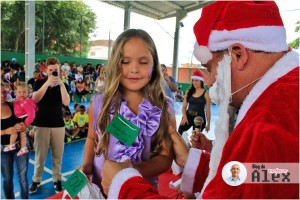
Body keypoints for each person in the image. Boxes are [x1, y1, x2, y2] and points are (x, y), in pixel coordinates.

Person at [100, 1, 299, 199]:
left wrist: (124, 185)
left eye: (210, 67)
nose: (210, 80)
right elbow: (272, 176)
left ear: (238, 54)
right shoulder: (284, 99)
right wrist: (195, 164)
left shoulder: (269, 125)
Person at [80, 29, 188, 195]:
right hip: (101, 191)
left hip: (141, 191)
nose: (134, 69)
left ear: (154, 64)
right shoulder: (100, 102)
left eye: (143, 62)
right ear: (116, 63)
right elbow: (91, 137)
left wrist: (129, 170)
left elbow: (165, 158)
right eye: (125, 61)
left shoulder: (164, 107)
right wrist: (86, 165)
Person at [30, 57, 70, 194]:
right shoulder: (39, 82)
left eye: (56, 70)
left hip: (58, 125)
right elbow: (35, 98)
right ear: (46, 70)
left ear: (60, 70)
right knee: (40, 156)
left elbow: (66, 102)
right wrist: (47, 84)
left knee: (57, 156)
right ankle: (36, 180)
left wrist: (62, 85)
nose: (53, 72)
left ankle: (57, 179)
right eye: (51, 70)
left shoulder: (63, 85)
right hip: (41, 125)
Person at [1, 83, 30, 199]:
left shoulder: (13, 105)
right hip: (3, 148)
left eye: (4, 92)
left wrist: (25, 127)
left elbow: (27, 118)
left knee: (23, 178)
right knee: (7, 178)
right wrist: (6, 131)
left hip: (20, 145)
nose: (2, 95)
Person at [3, 82, 38, 156]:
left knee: (16, 131)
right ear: (15, 93)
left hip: (23, 120)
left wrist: (26, 124)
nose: (22, 94)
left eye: (24, 92)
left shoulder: (27, 102)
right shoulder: (18, 101)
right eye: (19, 92)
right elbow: (16, 103)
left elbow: (32, 114)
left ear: (28, 92)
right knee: (21, 134)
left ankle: (12, 145)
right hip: (21, 119)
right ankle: (23, 148)